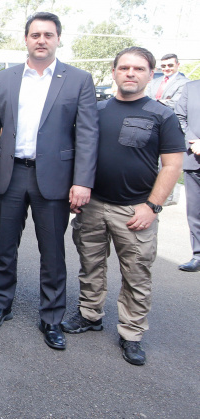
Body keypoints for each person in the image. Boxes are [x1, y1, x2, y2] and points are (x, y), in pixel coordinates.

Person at [0, 11, 99, 351]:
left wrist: (82, 181)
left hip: (56, 179)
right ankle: (0, 305)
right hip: (11, 173)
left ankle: (51, 318)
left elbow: (88, 136)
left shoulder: (78, 79)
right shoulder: (5, 79)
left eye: (48, 35)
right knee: (5, 246)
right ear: (26, 39)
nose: (41, 40)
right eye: (35, 34)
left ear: (58, 39)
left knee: (52, 251)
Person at [61, 47, 183, 365]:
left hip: (135, 210)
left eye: (139, 69)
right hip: (93, 206)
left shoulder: (162, 114)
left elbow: (172, 166)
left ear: (150, 74)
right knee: (91, 266)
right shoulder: (95, 110)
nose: (131, 73)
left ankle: (131, 333)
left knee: (136, 275)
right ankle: (90, 315)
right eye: (124, 67)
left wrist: (152, 207)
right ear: (114, 72)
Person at [175, 79, 200, 272]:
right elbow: (179, 117)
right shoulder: (191, 88)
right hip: (194, 159)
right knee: (195, 212)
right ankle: (198, 255)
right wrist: (193, 141)